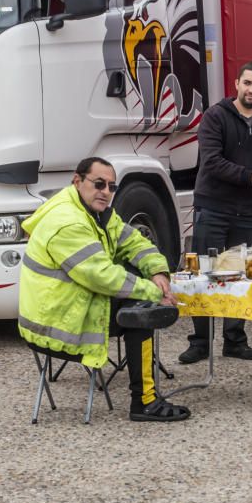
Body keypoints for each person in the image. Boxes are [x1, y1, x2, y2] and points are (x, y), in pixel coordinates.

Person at [18, 157, 191, 422]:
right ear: (77, 181)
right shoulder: (68, 222)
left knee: (137, 290)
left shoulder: (98, 214)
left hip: (72, 306)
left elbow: (134, 241)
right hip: (57, 321)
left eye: (112, 187)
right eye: (99, 184)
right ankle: (144, 402)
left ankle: (146, 397)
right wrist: (155, 293)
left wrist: (157, 272)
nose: (106, 192)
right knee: (142, 313)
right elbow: (103, 277)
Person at [178, 61, 252, 364]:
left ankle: (235, 341)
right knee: (202, 274)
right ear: (237, 84)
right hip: (212, 207)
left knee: (243, 276)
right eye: (247, 83)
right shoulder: (215, 117)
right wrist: (246, 176)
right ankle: (199, 342)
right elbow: (211, 161)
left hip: (248, 212)